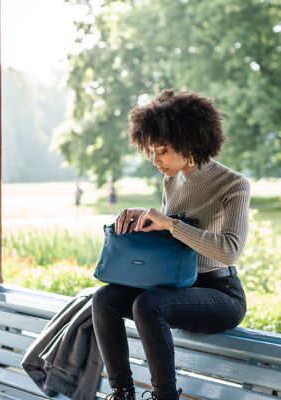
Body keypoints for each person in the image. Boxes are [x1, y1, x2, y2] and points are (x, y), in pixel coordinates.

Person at [92, 89, 250, 400]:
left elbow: (229, 249)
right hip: (178, 287)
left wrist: (171, 223)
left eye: (162, 151)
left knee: (149, 304)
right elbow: (174, 242)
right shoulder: (171, 182)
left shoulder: (234, 185)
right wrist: (146, 220)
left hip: (221, 294)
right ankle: (122, 393)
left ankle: (165, 397)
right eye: (151, 151)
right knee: (104, 298)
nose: (155, 160)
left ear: (189, 142)